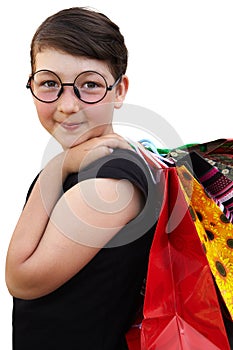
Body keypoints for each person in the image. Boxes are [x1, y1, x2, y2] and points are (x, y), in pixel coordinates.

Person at [5, 7, 159, 350]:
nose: (67, 104)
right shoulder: (89, 164)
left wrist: (55, 168)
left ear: (119, 91)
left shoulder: (107, 186)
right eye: (49, 84)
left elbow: (21, 279)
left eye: (89, 85)